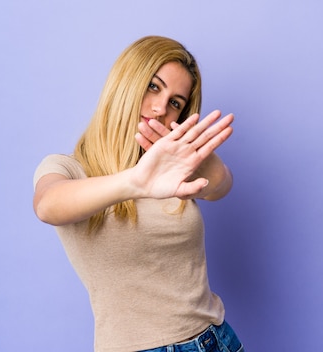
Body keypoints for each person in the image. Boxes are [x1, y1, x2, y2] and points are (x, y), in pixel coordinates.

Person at [32, 35, 244, 352]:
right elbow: (47, 206)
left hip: (215, 340)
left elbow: (221, 185)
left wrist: (197, 153)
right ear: (126, 82)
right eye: (153, 86)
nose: (160, 108)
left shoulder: (172, 168)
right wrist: (134, 182)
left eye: (176, 103)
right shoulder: (69, 169)